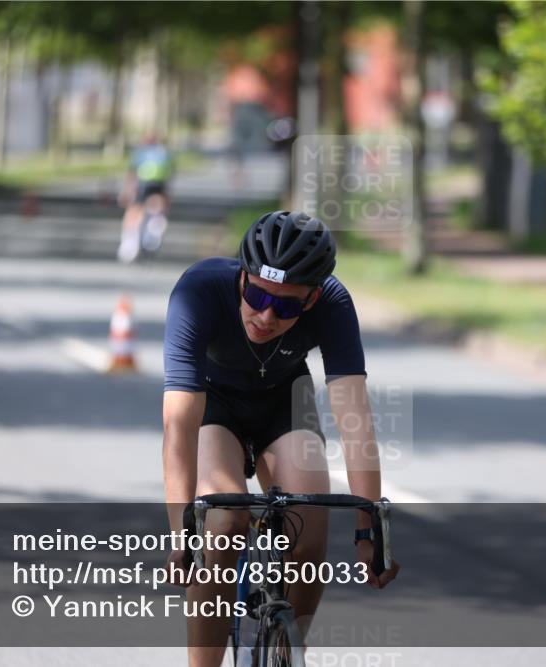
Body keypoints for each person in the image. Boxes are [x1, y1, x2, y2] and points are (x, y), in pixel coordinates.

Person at [161, 210, 400, 667]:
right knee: (224, 521)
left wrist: (370, 532)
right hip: (215, 403)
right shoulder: (198, 293)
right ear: (243, 277)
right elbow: (179, 426)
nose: (267, 315)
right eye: (257, 295)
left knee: (310, 518)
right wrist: (181, 533)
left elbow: (355, 417)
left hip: (285, 400)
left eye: (287, 306)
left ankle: (288, 647)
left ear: (311, 300)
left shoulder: (333, 303)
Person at [118, 134, 172, 263]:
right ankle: (152, 235)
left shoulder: (141, 153)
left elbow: (132, 172)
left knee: (135, 210)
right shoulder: (164, 153)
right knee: (156, 210)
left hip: (142, 184)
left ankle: (130, 243)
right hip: (158, 185)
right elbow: (169, 173)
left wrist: (127, 190)